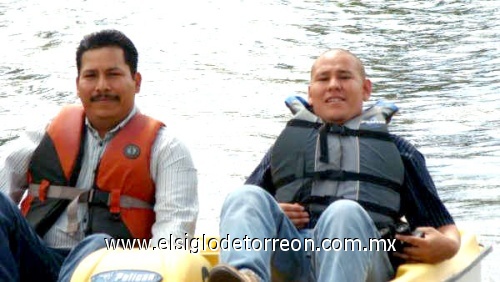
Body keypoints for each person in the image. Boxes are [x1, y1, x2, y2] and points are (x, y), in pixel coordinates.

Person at [208, 49, 460, 282]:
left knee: (344, 212)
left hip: (362, 259)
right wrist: (274, 212)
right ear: (310, 92)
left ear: (366, 89)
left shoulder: (400, 151)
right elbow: (245, 213)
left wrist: (448, 246)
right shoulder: (285, 149)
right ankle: (246, 275)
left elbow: (444, 226)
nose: (333, 85)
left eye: (344, 76)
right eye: (323, 78)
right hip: (293, 253)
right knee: (245, 196)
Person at [0, 29, 198, 281]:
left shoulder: (168, 150)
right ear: (78, 84)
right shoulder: (44, 135)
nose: (102, 86)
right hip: (39, 260)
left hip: (113, 271)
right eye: (91, 76)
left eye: (113, 75)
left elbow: (173, 240)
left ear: (136, 82)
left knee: (98, 246)